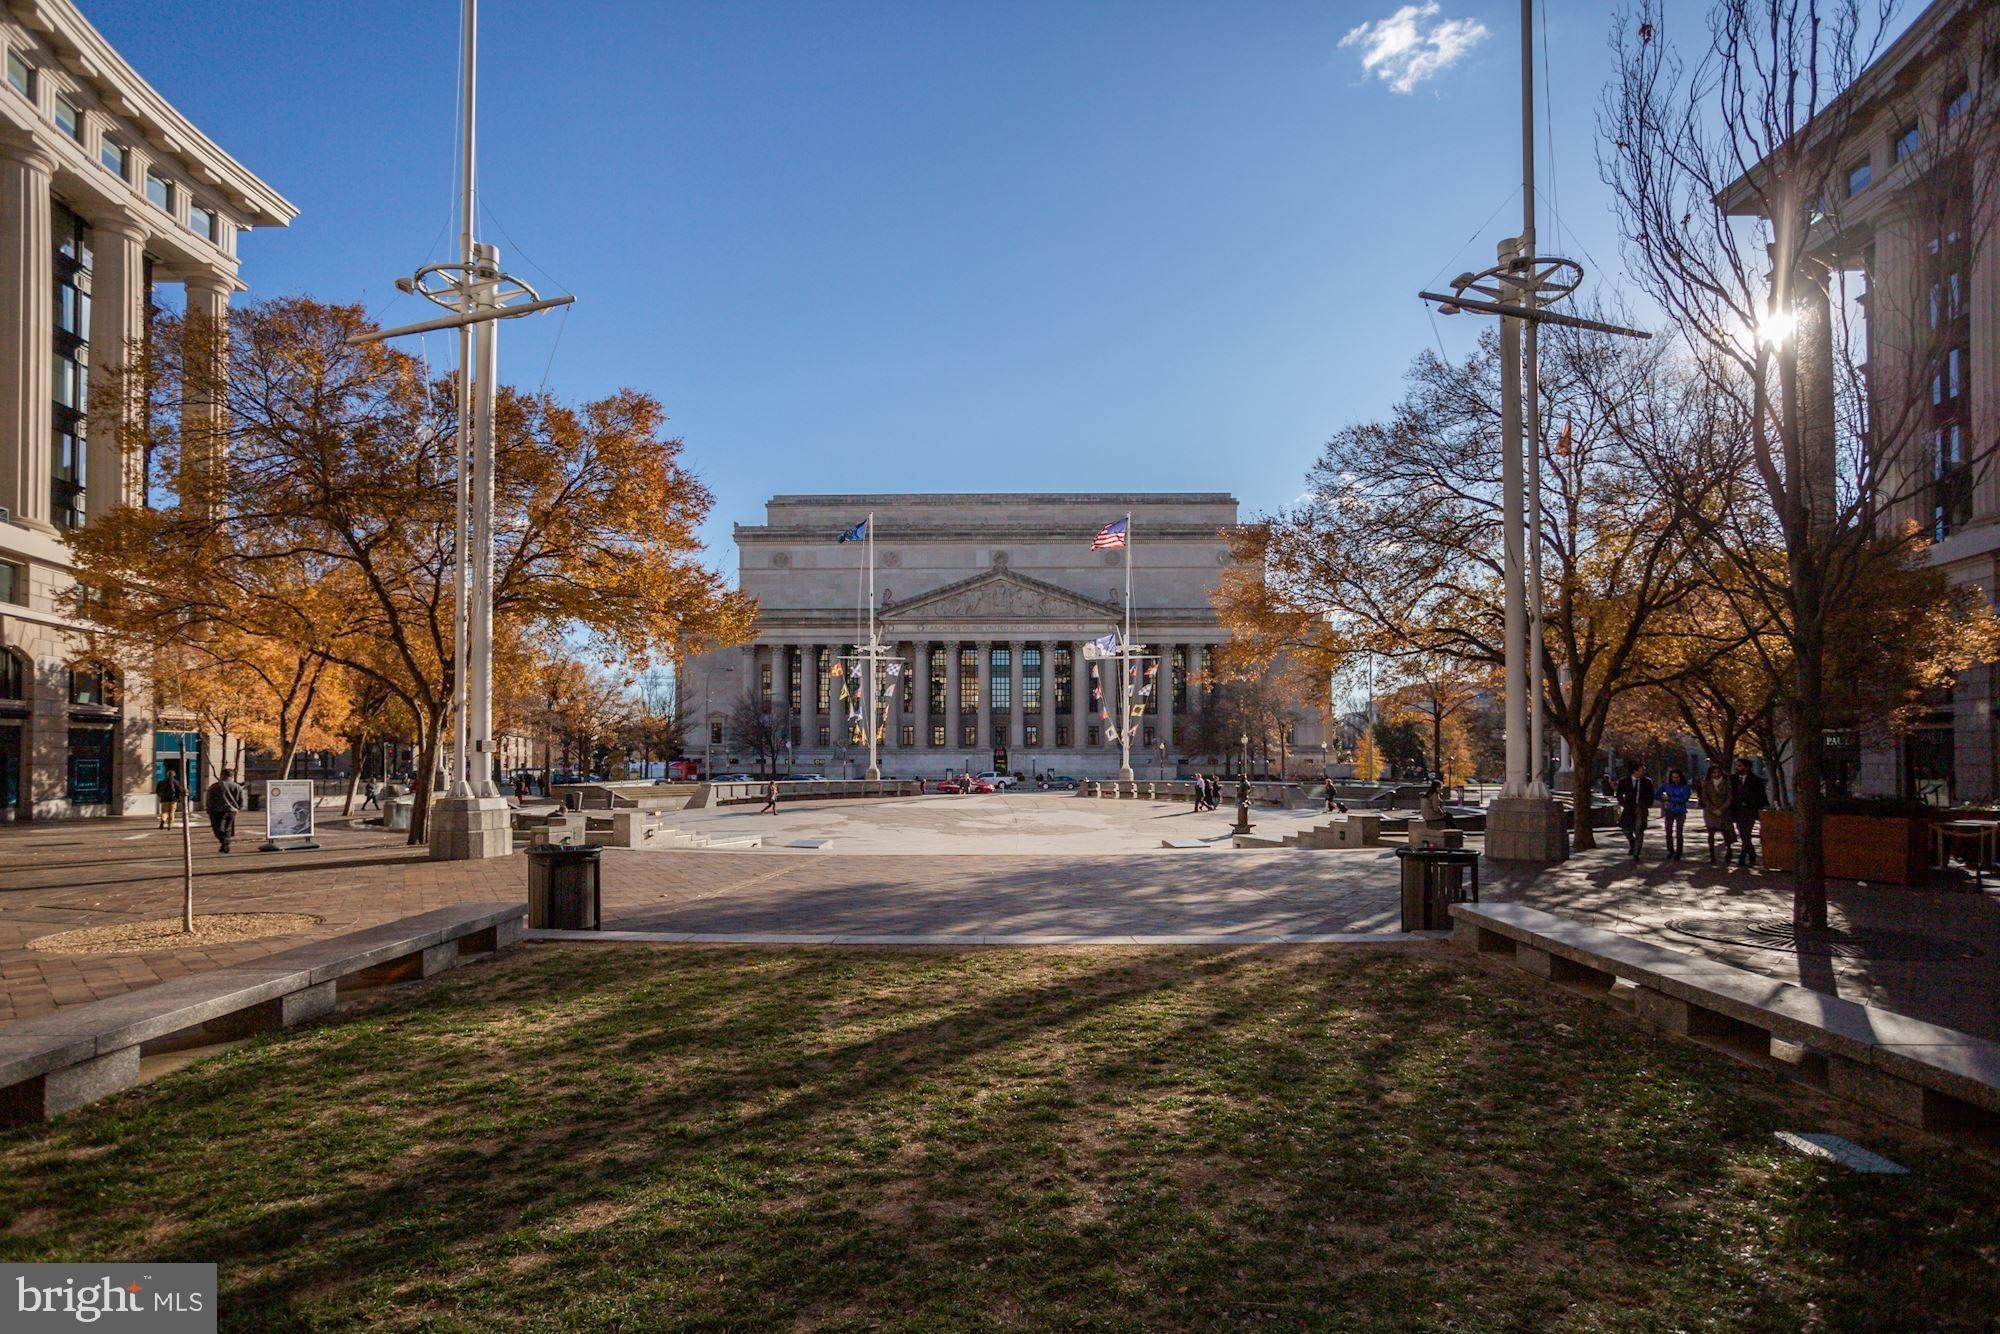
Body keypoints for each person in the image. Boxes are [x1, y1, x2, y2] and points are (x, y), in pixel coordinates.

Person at [1728, 758, 1768, 868]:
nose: (1737, 768)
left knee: (1747, 833)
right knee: (1743, 833)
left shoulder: (1756, 780)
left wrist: (1750, 803)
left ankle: (1742, 856)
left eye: (1740, 766)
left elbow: (1762, 797)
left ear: (1747, 767)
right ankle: (1752, 853)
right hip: (1737, 811)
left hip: (1750, 811)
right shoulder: (1732, 779)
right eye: (1737, 766)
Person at [1614, 761, 1655, 860]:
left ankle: (1636, 853)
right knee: (1626, 829)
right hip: (1629, 808)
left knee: (1639, 830)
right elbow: (1619, 794)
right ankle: (1632, 843)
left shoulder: (1647, 781)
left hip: (1641, 808)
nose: (1644, 772)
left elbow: (1651, 795)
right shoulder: (1624, 781)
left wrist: (1648, 804)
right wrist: (1623, 803)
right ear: (1634, 771)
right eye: (1642, 770)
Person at [203, 767, 247, 854]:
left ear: (222, 775)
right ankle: (225, 844)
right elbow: (241, 799)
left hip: (217, 810)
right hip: (231, 810)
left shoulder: (215, 786)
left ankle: (224, 842)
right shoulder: (237, 786)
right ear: (232, 776)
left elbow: (209, 798)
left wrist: (208, 808)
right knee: (227, 828)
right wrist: (239, 808)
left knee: (217, 828)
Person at [1700, 764, 1733, 863]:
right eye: (1714, 772)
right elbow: (1704, 799)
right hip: (1710, 813)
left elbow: (1730, 798)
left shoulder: (1727, 783)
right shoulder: (1706, 784)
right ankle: (1712, 856)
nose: (1716, 774)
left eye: (1718, 772)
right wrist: (1713, 809)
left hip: (1724, 812)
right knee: (1711, 834)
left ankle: (1729, 850)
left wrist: (1722, 809)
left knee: (1726, 833)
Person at [1657, 766, 1692, 860]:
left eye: (1677, 777)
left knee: (1679, 832)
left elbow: (1684, 799)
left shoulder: (1685, 787)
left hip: (1680, 811)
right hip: (1669, 810)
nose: (1675, 779)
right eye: (1673, 777)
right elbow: (1657, 794)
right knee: (1668, 831)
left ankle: (1679, 852)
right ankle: (1670, 850)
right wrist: (1662, 798)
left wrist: (1670, 799)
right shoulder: (1667, 785)